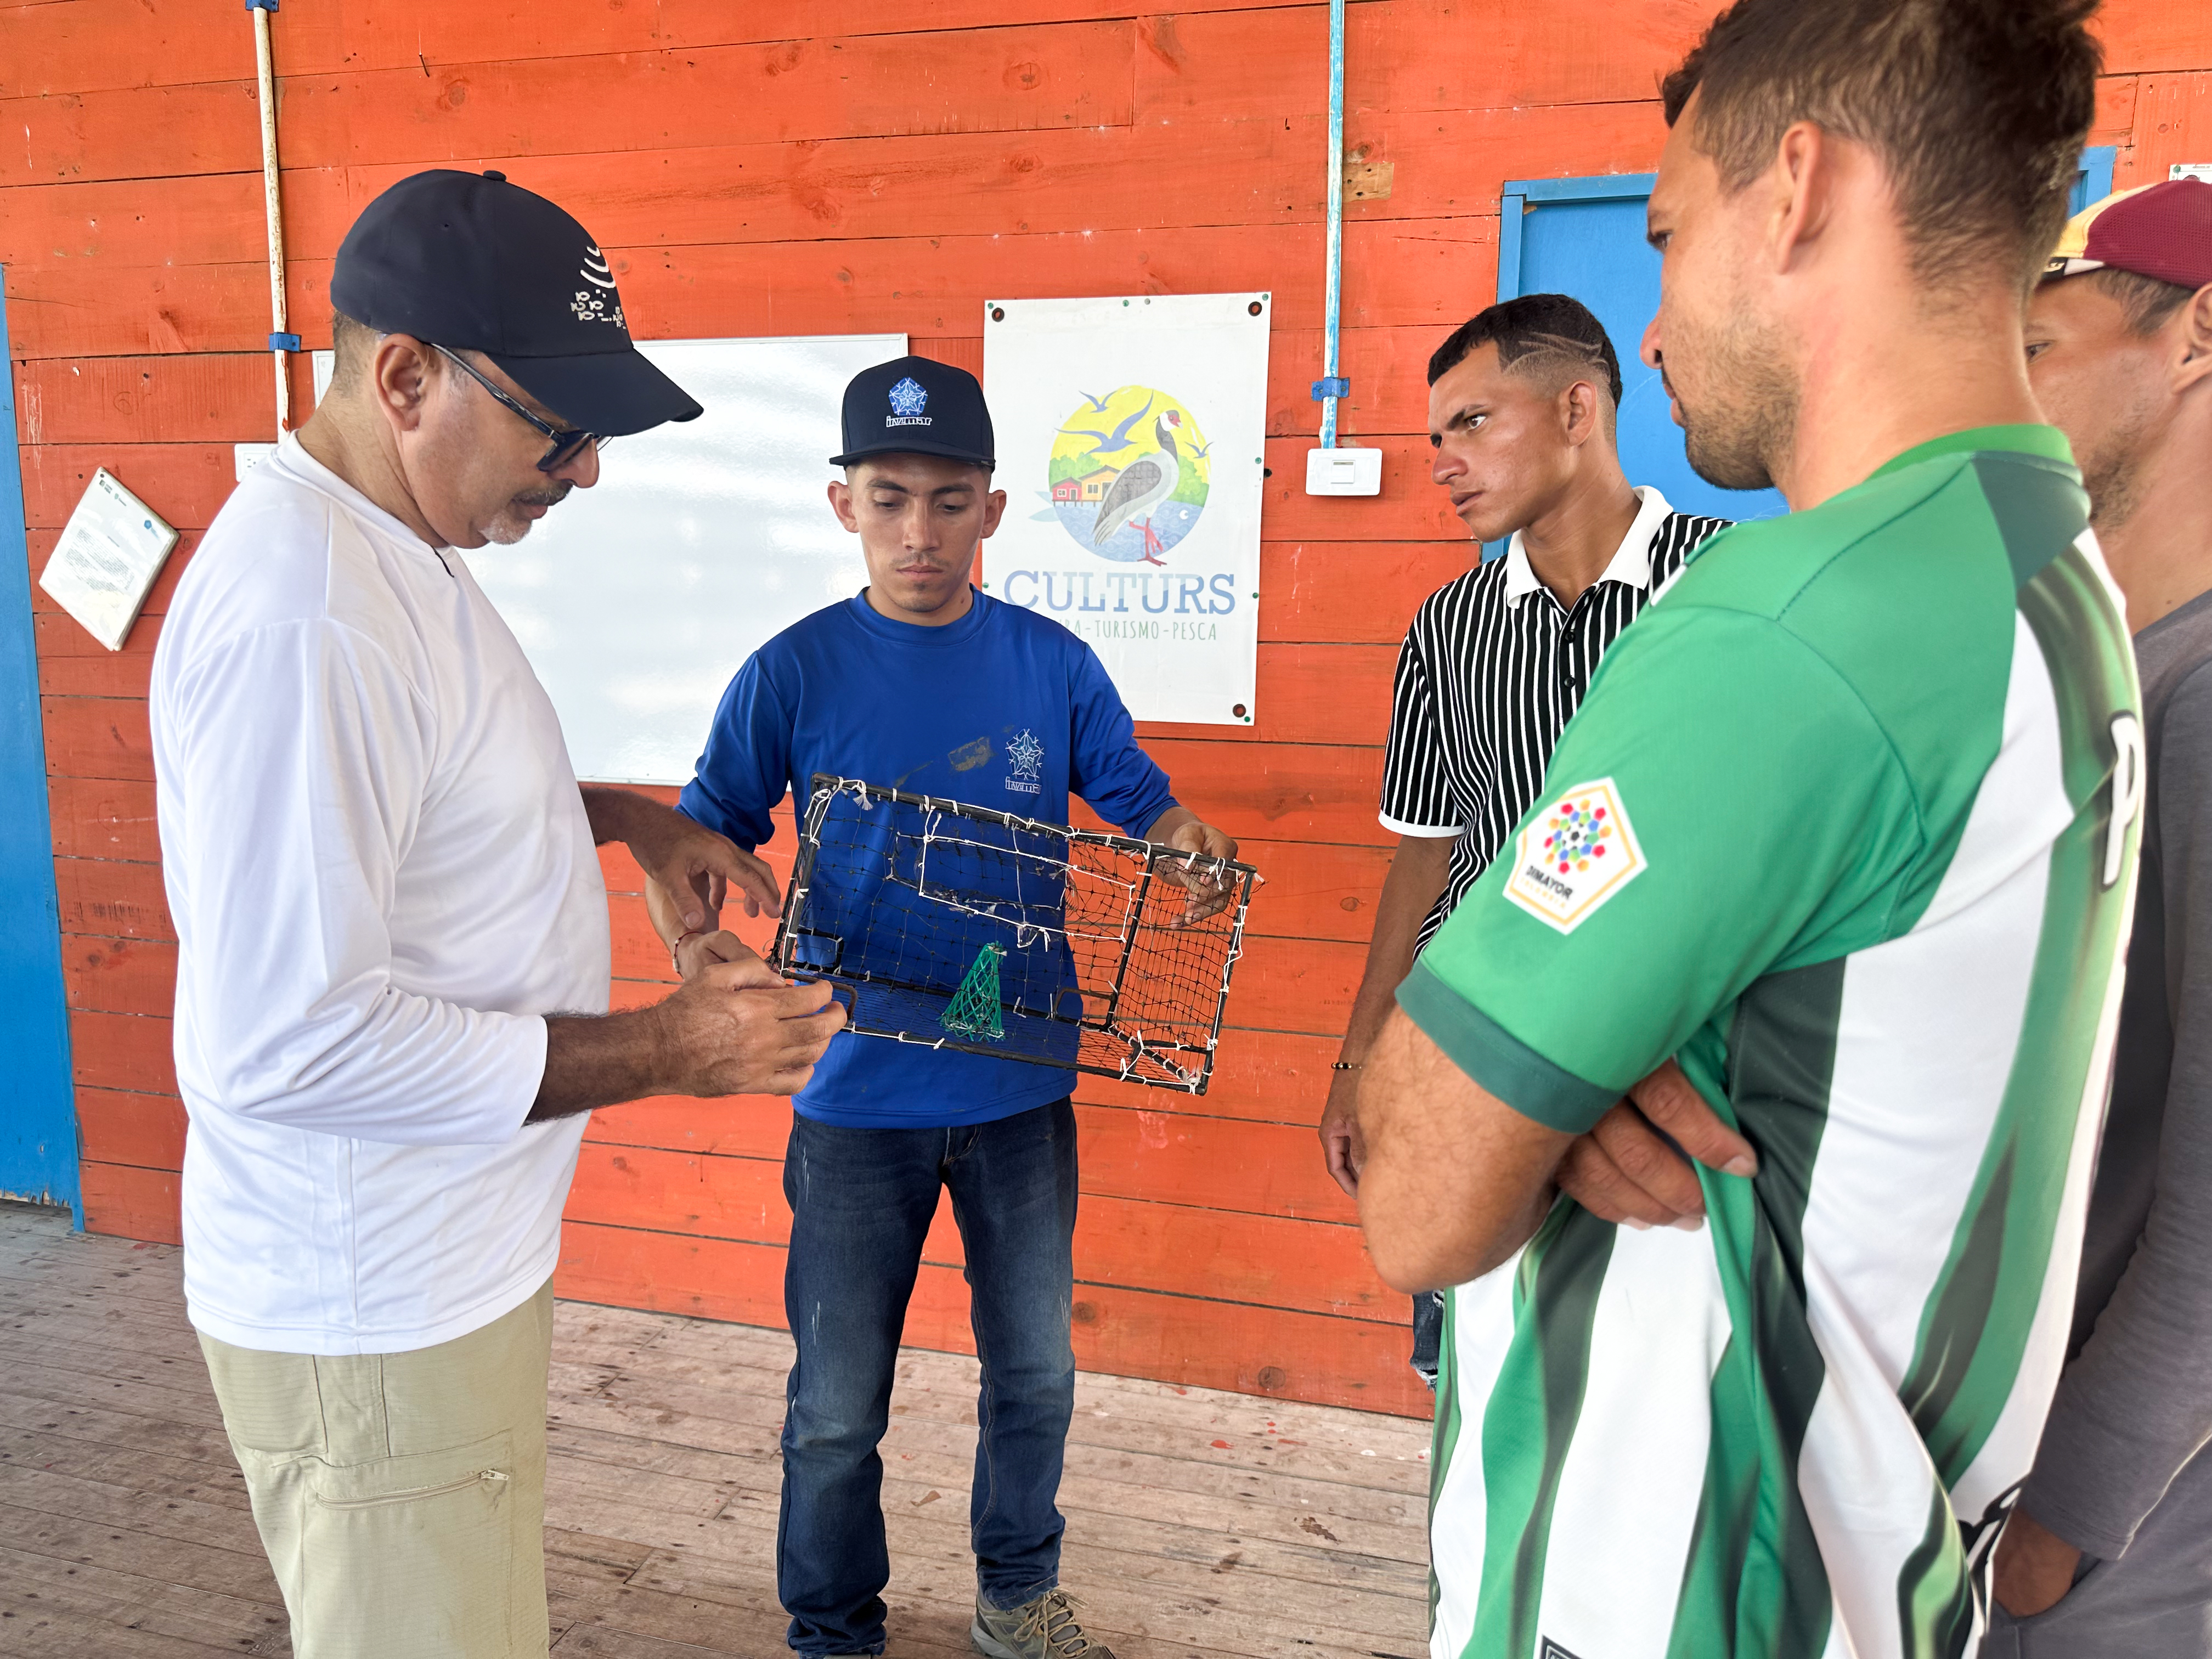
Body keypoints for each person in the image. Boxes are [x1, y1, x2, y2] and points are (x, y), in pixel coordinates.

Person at [1352, 0, 2137, 1653]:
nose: (1647, 330)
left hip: (1677, 1577)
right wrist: (1566, 1060)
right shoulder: (2040, 559)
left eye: (1666, 232)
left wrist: (1520, 1078)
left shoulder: (1789, 622)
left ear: (1793, 191)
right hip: (1867, 1557)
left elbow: (1421, 1193)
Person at [149, 170, 845, 1659]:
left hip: (436, 1282)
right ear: (404, 376)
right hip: (375, 1311)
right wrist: (672, 1049)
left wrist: (620, 824)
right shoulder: (310, 617)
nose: (584, 471)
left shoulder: (388, 553)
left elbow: (408, 808)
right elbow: (290, 1044)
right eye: (559, 427)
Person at [661, 356, 1237, 1659]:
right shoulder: (791, 673)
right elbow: (699, 838)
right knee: (835, 1408)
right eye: (889, 498)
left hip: (1021, 1087)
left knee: (1035, 1374)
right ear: (842, 504)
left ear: (993, 507)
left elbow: (1144, 802)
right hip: (854, 1100)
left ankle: (1017, 1593)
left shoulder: (1051, 662)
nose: (918, 531)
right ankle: (830, 1629)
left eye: (948, 498)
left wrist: (1186, 839)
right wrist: (696, 940)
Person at [1314, 294, 1730, 1384]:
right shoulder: (1448, 627)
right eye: (1435, 438)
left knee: (1650, 1393)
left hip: (1677, 1086)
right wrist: (1362, 1058)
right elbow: (1425, 858)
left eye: (1474, 423)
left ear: (1577, 408)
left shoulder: (1728, 590)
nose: (1445, 461)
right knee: (1475, 1385)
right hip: (1480, 1066)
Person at [1982, 178, 2212, 1654]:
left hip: (2113, 1553)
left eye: (2040, 347)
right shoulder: (2123, 674)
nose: (2005, 397)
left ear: (2196, 341)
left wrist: (2059, 1528)